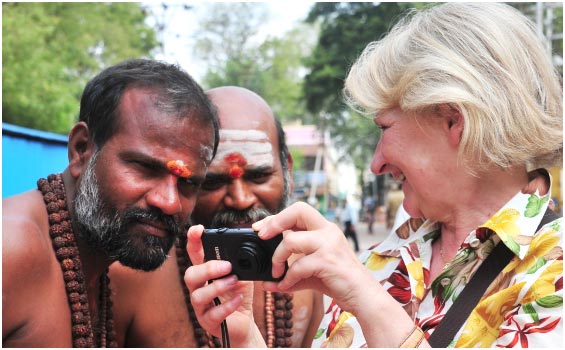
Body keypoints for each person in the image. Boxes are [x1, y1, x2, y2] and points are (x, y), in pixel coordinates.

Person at [184, 3, 563, 348]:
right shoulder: (392, 255)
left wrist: (363, 295)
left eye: (384, 128)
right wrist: (245, 337)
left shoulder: (552, 265)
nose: (376, 163)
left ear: (453, 119)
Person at [2, 58, 219, 347]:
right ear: (81, 150)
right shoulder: (11, 247)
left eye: (188, 183)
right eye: (145, 168)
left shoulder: (98, 261)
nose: (169, 202)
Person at [109, 86, 324, 347]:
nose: (241, 199)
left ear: (286, 169)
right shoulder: (131, 275)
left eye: (259, 176)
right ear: (184, 180)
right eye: (213, 181)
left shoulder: (310, 269)